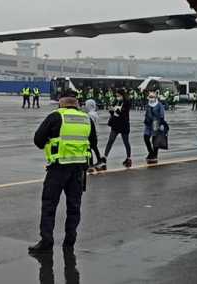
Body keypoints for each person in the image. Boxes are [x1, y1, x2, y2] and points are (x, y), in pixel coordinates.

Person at [29, 92, 97, 253]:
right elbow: (93, 142)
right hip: (79, 169)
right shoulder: (86, 118)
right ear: (77, 103)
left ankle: (47, 241)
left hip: (58, 168)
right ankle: (70, 241)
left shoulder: (55, 116)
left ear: (61, 102)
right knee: (74, 206)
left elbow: (38, 139)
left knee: (49, 205)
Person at [101, 89, 132, 169]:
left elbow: (123, 113)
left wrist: (115, 110)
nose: (117, 97)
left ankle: (128, 158)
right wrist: (111, 110)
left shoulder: (127, 103)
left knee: (126, 142)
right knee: (110, 140)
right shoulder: (116, 101)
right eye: (117, 96)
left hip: (124, 124)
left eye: (119, 95)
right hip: (115, 124)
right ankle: (105, 157)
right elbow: (113, 113)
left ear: (122, 95)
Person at [144, 92, 167, 164]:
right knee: (146, 137)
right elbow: (146, 113)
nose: (151, 98)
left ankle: (155, 155)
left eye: (152, 97)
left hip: (156, 123)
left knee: (155, 140)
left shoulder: (159, 105)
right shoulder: (148, 104)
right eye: (150, 97)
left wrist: (161, 124)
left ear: (156, 97)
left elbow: (162, 115)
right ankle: (151, 152)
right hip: (148, 123)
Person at [84, 99, 103, 173]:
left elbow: (89, 124)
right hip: (95, 133)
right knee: (94, 148)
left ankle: (90, 164)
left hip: (91, 133)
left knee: (88, 149)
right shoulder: (95, 113)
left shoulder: (90, 115)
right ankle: (99, 160)